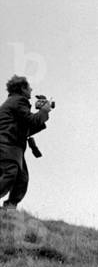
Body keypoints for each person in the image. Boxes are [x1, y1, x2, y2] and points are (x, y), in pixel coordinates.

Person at [0, 75, 53, 210]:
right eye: (29, 87)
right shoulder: (18, 101)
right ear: (22, 88)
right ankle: (9, 207)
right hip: (7, 145)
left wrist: (41, 113)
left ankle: (9, 208)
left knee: (22, 179)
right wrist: (44, 110)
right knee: (10, 174)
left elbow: (27, 128)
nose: (31, 89)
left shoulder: (14, 102)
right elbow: (33, 121)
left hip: (12, 146)